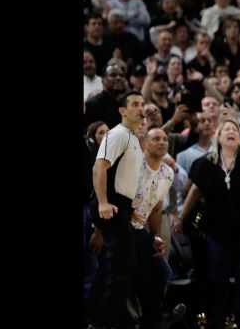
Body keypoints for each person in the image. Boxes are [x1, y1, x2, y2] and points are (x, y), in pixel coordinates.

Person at [174, 118, 240, 329]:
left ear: (239, 137)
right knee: (218, 275)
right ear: (219, 137)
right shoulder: (206, 163)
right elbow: (194, 190)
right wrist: (182, 217)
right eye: (227, 130)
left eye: (235, 129)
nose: (231, 132)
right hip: (218, 229)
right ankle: (217, 319)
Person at [86, 91, 146, 328]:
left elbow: (122, 179)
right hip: (108, 205)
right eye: (134, 104)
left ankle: (147, 317)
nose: (140, 108)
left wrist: (130, 210)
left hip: (121, 207)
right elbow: (99, 168)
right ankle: (102, 323)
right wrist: (102, 201)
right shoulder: (117, 133)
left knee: (133, 265)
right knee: (122, 270)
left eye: (142, 104)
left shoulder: (131, 137)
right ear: (123, 111)